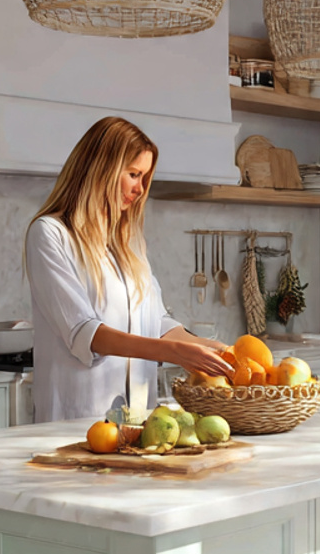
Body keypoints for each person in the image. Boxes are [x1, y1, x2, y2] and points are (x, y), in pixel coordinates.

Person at [25, 116, 231, 423]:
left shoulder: (128, 242)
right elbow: (85, 333)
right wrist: (171, 352)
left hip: (138, 419)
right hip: (78, 418)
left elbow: (157, 323)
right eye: (134, 174)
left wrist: (217, 350)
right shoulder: (50, 234)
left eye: (145, 177)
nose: (140, 188)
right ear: (101, 169)